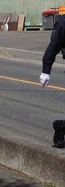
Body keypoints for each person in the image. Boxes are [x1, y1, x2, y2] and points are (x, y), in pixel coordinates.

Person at [39, 14, 65, 148]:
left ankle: (62, 127)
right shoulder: (63, 22)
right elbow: (54, 45)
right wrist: (46, 70)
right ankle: (61, 128)